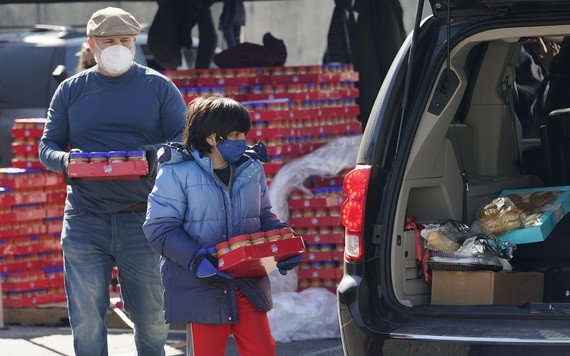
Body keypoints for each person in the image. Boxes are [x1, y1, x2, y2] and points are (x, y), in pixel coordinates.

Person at [38, 7, 187, 355]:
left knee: (152, 318)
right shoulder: (71, 90)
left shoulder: (159, 88)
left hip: (144, 219)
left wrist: (149, 157)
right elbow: (48, 146)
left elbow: (183, 141)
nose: (117, 46)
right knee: (87, 318)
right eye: (109, 41)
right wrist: (68, 162)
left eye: (124, 40)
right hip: (84, 219)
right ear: (92, 45)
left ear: (135, 42)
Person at [142, 96, 301, 356]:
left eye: (244, 133)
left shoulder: (252, 170)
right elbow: (159, 228)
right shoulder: (176, 172)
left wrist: (283, 242)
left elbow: (264, 216)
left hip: (248, 283)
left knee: (263, 351)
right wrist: (196, 258)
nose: (242, 140)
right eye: (236, 134)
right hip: (201, 286)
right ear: (211, 138)